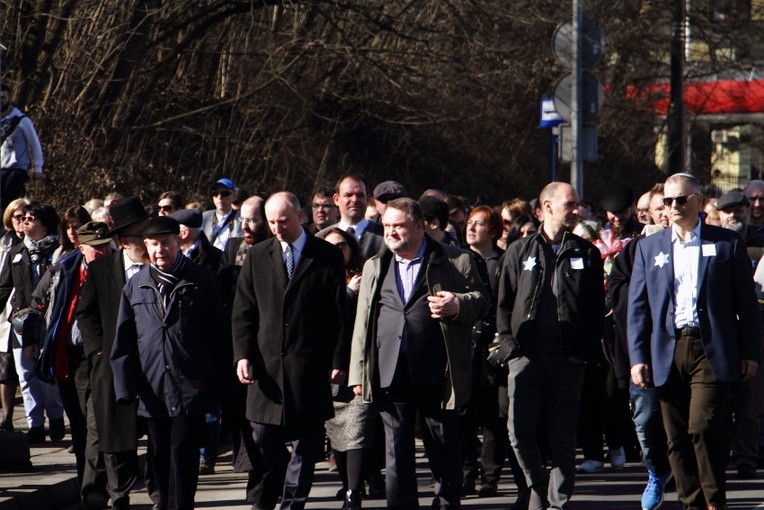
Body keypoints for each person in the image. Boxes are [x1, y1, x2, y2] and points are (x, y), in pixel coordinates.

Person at [628, 172, 760, 510]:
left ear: (698, 201)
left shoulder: (727, 243)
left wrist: (750, 352)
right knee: (675, 437)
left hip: (711, 348)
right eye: (667, 202)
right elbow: (638, 308)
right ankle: (691, 502)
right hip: (667, 349)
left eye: (680, 200)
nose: (673, 206)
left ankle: (714, 501)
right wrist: (637, 357)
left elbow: (746, 304)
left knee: (704, 425)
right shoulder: (648, 248)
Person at [348, 197, 488, 510]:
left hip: (438, 371)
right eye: (386, 226)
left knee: (442, 445)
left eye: (398, 226)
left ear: (420, 227)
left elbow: (481, 301)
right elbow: (363, 322)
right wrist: (359, 372)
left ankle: (446, 499)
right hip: (390, 370)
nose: (390, 232)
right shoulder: (375, 265)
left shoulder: (456, 260)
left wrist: (457, 305)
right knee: (396, 450)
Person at [232, 191, 349, 510]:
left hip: (308, 366)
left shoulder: (326, 255)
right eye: (271, 222)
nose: (277, 228)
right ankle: (280, 477)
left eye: (283, 221)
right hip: (266, 367)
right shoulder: (257, 256)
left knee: (306, 444)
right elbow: (243, 310)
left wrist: (339, 359)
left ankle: (292, 504)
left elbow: (338, 314)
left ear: (301, 216)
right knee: (262, 435)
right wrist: (242, 355)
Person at [495, 182, 604, 510]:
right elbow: (503, 303)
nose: (577, 210)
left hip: (566, 362)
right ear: (546, 206)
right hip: (525, 358)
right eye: (570, 204)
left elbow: (596, 310)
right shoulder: (520, 250)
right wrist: (509, 348)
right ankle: (537, 485)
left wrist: (581, 353)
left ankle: (557, 503)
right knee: (519, 432)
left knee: (562, 439)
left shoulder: (587, 252)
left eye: (578, 204)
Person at [111, 216, 228, 510]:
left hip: (190, 383)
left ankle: (181, 505)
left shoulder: (201, 279)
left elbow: (221, 334)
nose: (160, 249)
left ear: (179, 242)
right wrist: (125, 388)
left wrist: (222, 385)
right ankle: (164, 502)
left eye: (166, 242)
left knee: (183, 450)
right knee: (159, 453)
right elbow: (123, 341)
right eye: (153, 244)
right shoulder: (136, 285)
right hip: (153, 386)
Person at [27, 221, 113, 509]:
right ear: (81, 247)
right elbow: (37, 304)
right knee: (79, 426)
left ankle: (93, 490)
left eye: (106, 246)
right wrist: (33, 339)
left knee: (96, 424)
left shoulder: (116, 272)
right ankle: (86, 487)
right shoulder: (63, 270)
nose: (103, 252)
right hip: (69, 358)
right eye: (96, 248)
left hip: (102, 358)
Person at [76, 197, 152, 510]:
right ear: (122, 240)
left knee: (155, 430)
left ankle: (160, 489)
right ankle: (116, 492)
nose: (145, 243)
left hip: (153, 364)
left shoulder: (158, 266)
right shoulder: (101, 269)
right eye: (138, 237)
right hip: (110, 364)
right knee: (112, 432)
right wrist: (97, 351)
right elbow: (87, 313)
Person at [462, 205, 527, 506]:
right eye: (469, 223)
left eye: (479, 224)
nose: (471, 228)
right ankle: (465, 473)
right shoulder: (459, 261)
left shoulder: (503, 262)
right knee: (464, 413)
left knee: (496, 416)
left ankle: (490, 477)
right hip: (466, 348)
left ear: (493, 231)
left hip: (495, 348)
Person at [317, 227, 375, 509]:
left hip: (358, 363)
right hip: (326, 366)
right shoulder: (316, 277)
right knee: (337, 432)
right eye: (331, 246)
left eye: (343, 246)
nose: (338, 251)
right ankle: (347, 483)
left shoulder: (363, 278)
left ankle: (355, 491)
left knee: (356, 429)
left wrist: (353, 293)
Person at [0, 201, 65, 444]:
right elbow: (5, 286)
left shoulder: (57, 251)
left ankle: (56, 416)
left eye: (32, 218)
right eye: (23, 217)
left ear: (45, 223)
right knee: (26, 374)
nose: (25, 221)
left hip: (49, 320)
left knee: (48, 373)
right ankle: (34, 422)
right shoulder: (16, 252)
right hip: (22, 321)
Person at [0, 197, 27, 431]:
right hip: (7, 315)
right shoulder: (4, 245)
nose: (22, 221)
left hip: (28, 312)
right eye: (18, 217)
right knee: (6, 368)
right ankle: (7, 418)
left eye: (27, 216)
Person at [318, 174, 385, 258]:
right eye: (348, 195)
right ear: (336, 199)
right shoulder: (321, 239)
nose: (354, 200)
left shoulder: (384, 236)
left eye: (360, 195)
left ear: (367, 199)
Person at [0, 84, 43, 207]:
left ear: (9, 99)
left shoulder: (21, 120)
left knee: (8, 200)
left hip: (17, 168)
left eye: (3, 97)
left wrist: (38, 168)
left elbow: (34, 144)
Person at [201, 178, 242, 251]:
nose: (219, 197)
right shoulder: (204, 217)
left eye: (225, 193)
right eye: (215, 193)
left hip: (230, 260)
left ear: (234, 195)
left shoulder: (241, 218)